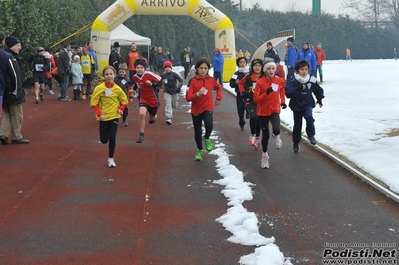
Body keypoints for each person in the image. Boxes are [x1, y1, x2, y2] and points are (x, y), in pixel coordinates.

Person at [90, 66, 128, 168]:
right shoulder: (99, 88)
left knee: (112, 137)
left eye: (111, 74)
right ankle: (104, 141)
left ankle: (111, 158)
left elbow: (124, 101)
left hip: (114, 116)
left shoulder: (117, 89)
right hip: (103, 117)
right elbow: (94, 103)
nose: (109, 76)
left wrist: (121, 109)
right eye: (107, 74)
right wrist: (99, 114)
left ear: (114, 75)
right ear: (104, 76)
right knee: (104, 140)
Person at [186, 57, 222, 161]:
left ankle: (206, 137)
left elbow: (219, 87)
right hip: (196, 110)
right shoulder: (192, 81)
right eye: (201, 68)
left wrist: (218, 98)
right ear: (197, 68)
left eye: (205, 68)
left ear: (208, 69)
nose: (203, 70)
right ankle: (200, 149)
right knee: (197, 133)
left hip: (208, 107)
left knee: (209, 125)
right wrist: (197, 94)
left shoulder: (211, 80)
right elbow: (188, 98)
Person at [285, 59, 324, 153]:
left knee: (309, 117)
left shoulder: (311, 80)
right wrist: (297, 89)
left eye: (306, 69)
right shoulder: (293, 82)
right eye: (302, 69)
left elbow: (318, 90)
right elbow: (288, 93)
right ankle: (296, 143)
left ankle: (311, 135)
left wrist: (319, 99)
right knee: (297, 125)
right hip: (297, 105)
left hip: (307, 104)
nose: (304, 71)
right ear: (297, 71)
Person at [253, 60, 286, 169]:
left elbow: (281, 92)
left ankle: (276, 135)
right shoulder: (260, 82)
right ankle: (265, 156)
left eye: (273, 68)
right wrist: (265, 93)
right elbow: (256, 99)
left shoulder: (279, 80)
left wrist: (283, 102)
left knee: (276, 129)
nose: (271, 71)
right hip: (263, 111)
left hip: (274, 109)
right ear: (265, 70)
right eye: (268, 69)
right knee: (265, 135)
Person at [0, 35, 30, 145]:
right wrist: (14, 90)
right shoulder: (10, 58)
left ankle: (3, 134)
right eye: (17, 45)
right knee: (17, 115)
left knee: (7, 113)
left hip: (4, 91)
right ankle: (17, 136)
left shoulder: (5, 55)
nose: (19, 48)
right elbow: (14, 77)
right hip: (12, 92)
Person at [132, 57, 163, 143]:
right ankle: (141, 134)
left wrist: (152, 84)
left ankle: (154, 117)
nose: (139, 69)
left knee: (152, 117)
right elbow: (137, 84)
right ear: (135, 68)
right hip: (143, 98)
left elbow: (160, 82)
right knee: (141, 114)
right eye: (137, 68)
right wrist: (133, 90)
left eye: (141, 68)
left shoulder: (149, 74)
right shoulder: (134, 77)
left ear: (144, 68)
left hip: (153, 100)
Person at [238, 58, 263, 149]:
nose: (257, 67)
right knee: (253, 116)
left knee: (259, 119)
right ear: (252, 67)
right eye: (255, 66)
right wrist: (242, 92)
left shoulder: (264, 77)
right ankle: (252, 134)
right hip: (250, 100)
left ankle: (257, 137)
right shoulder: (248, 77)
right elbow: (240, 84)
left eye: (259, 66)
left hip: (261, 101)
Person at [229, 56, 249, 131]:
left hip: (249, 93)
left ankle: (248, 112)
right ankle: (241, 123)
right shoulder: (236, 74)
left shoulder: (249, 72)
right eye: (240, 62)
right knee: (240, 110)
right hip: (240, 94)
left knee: (248, 105)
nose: (242, 64)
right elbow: (231, 84)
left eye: (244, 62)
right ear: (238, 64)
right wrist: (235, 83)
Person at [160, 60, 183, 125]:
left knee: (175, 105)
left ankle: (174, 104)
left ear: (171, 67)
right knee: (168, 105)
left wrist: (179, 87)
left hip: (174, 92)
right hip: (167, 92)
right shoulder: (163, 75)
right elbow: (158, 81)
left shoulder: (174, 74)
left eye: (168, 67)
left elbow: (181, 80)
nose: (167, 69)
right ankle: (169, 118)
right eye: (166, 67)